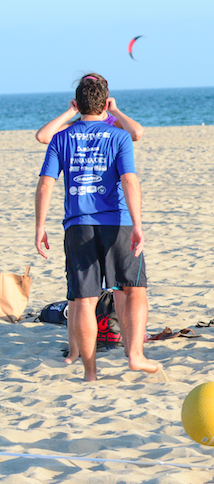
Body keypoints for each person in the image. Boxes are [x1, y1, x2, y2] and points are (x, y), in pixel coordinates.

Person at [34, 73, 160, 382]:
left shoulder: (62, 138)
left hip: (78, 226)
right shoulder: (116, 135)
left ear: (77, 104)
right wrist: (138, 224)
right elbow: (130, 179)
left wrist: (39, 228)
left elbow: (45, 184)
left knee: (86, 300)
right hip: (117, 222)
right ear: (105, 102)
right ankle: (135, 355)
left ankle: (90, 373)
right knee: (134, 290)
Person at [35, 73, 143, 145]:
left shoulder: (115, 124)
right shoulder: (74, 127)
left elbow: (136, 133)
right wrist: (70, 113)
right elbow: (43, 137)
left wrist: (115, 111)